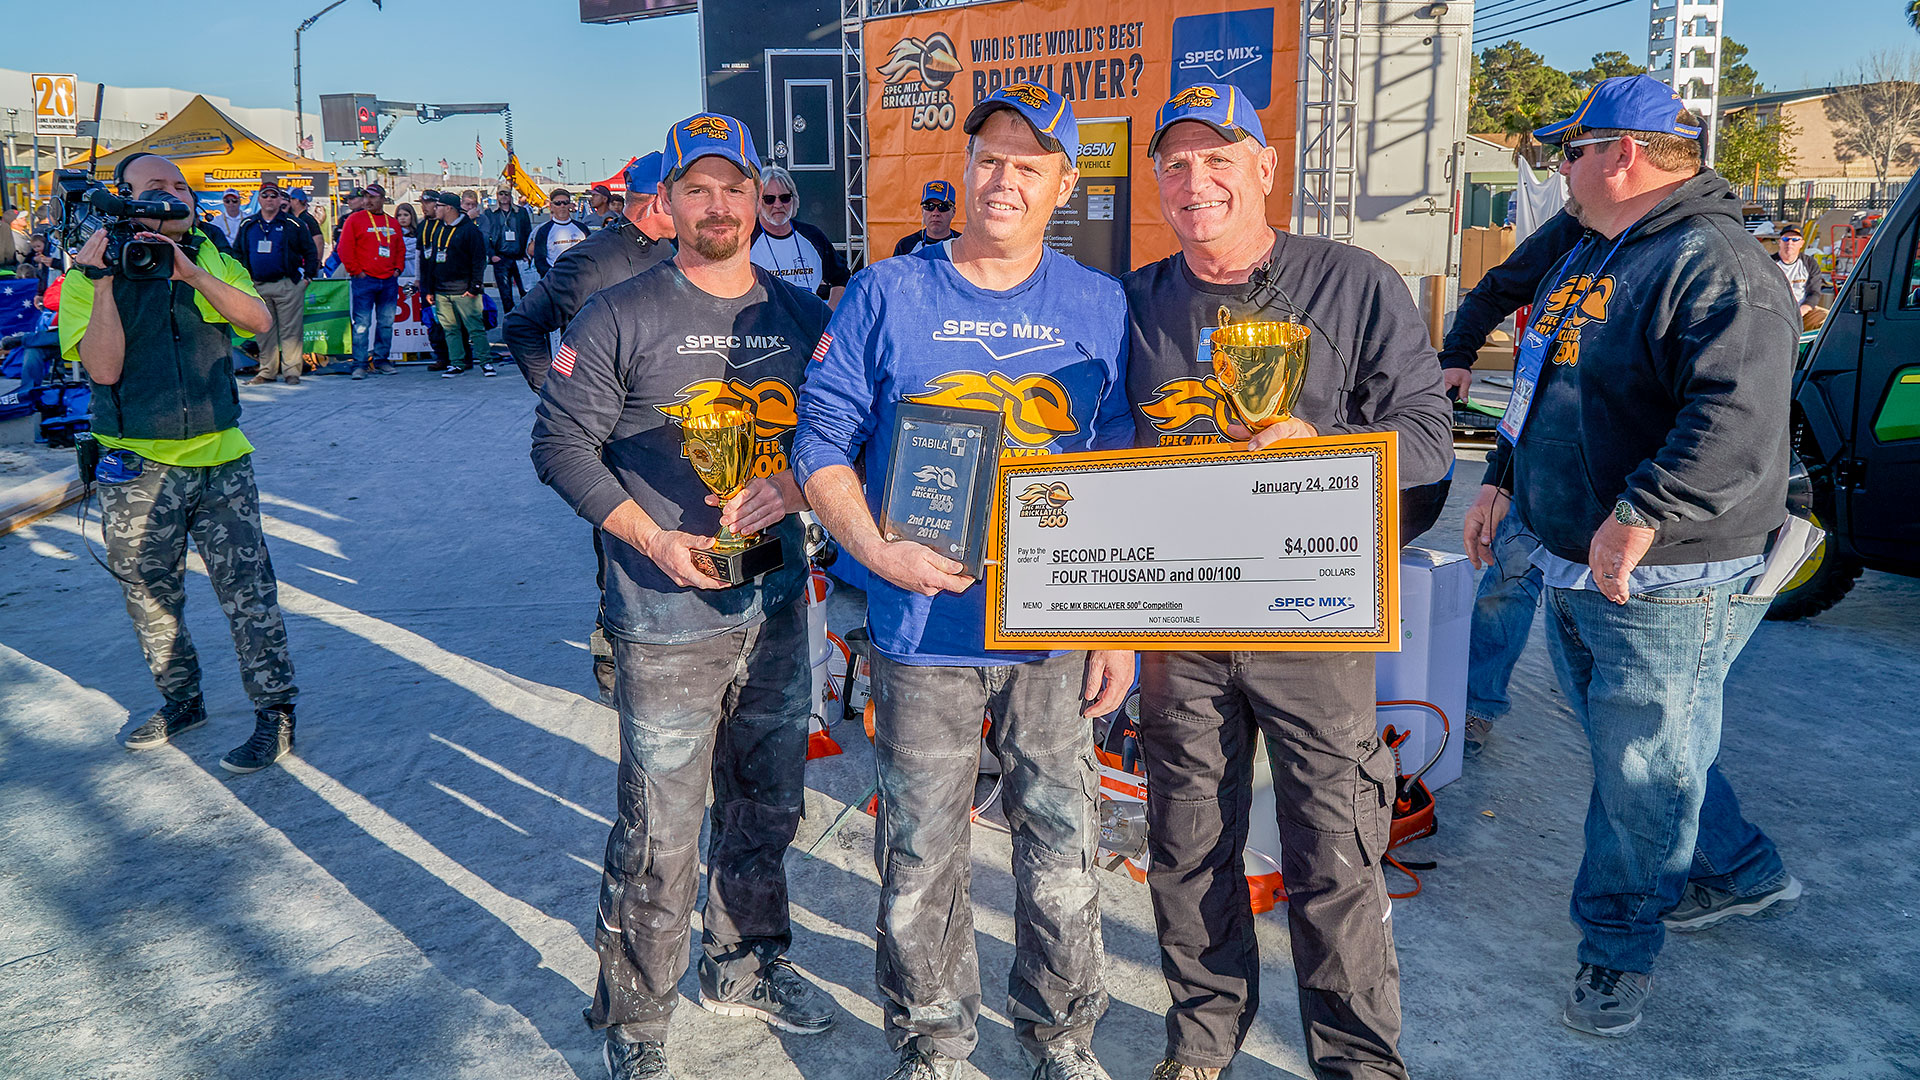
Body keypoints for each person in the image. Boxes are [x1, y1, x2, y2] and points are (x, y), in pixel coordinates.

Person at [794, 83, 1129, 1080]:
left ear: (1063, 184)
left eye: (1031, 165)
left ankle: (1061, 1036)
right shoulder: (890, 292)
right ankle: (933, 1039)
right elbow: (820, 435)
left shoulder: (1097, 302)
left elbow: (1121, 465)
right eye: (991, 158)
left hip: (1054, 628)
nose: (1005, 180)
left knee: (1064, 843)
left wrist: (1120, 622)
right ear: (966, 166)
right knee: (921, 848)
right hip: (919, 625)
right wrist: (876, 547)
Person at [1118, 85, 1451, 1080]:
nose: (1195, 180)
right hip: (1181, 623)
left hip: (1312, 619)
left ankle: (1357, 1063)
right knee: (1187, 846)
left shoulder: (1353, 284)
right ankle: (1203, 1039)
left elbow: (1431, 443)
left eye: (1219, 157)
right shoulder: (1135, 302)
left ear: (1265, 167)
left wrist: (1330, 448)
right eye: (1174, 162)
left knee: (1336, 853)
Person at [1461, 74, 1803, 1039]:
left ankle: (1616, 948)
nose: (1559, 170)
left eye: (1569, 152)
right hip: (1577, 556)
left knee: (1643, 766)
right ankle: (1739, 870)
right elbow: (1544, 378)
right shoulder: (1593, 249)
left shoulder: (1716, 263)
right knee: (1645, 750)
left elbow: (1736, 417)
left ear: (1623, 154)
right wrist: (1503, 480)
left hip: (1661, 574)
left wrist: (1640, 511)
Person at [531, 112, 838, 1080]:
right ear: (667, 202)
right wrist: (652, 537)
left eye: (735, 187)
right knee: (659, 826)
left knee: (766, 802)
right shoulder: (621, 312)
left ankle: (745, 964)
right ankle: (637, 1018)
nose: (718, 205)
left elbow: (841, 438)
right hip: (664, 617)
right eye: (697, 188)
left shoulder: (800, 319)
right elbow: (558, 443)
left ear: (759, 200)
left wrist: (794, 488)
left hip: (778, 603)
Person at [58, 152, 300, 776]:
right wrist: (106, 280)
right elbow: (103, 369)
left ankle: (273, 712)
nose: (173, 195)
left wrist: (191, 274)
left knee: (250, 593)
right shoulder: (89, 274)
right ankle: (181, 700)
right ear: (123, 197)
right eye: (156, 186)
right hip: (136, 463)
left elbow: (259, 323)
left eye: (180, 185)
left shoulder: (212, 255)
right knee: (150, 594)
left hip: (222, 459)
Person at [506, 151, 676, 705]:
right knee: (621, 545)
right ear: (658, 199)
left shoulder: (683, 253)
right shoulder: (592, 261)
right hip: (615, 436)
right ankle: (615, 652)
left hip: (681, 430)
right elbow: (524, 324)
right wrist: (554, 393)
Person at [1434, 210, 1584, 755]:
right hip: (1537, 452)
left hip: (1626, 483)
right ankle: (1475, 703)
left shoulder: (1692, 247)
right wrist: (1456, 356)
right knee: (1508, 577)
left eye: (1576, 152)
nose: (1565, 169)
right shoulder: (1575, 229)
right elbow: (1493, 292)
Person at [233, 182, 320, 386]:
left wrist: (307, 277)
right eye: (266, 196)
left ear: (281, 200)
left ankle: (291, 372)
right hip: (258, 285)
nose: (270, 199)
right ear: (260, 199)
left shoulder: (293, 223)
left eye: (274, 196)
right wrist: (243, 279)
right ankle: (267, 371)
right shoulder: (248, 224)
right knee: (264, 331)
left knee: (291, 331)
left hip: (286, 284)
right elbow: (236, 252)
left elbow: (310, 250)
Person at [749, 165, 848, 304]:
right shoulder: (746, 239)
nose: (778, 205)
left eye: (784, 198)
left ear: (794, 199)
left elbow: (841, 278)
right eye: (769, 199)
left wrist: (829, 317)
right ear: (758, 202)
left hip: (809, 323)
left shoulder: (813, 236)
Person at [337, 183, 406, 379]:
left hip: (388, 280)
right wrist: (356, 271)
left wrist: (398, 269)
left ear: (383, 199)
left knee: (386, 323)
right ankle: (359, 364)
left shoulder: (392, 222)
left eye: (373, 197)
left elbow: (400, 248)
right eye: (365, 197)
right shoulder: (354, 219)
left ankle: (381, 360)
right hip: (364, 280)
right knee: (361, 323)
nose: (368, 201)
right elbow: (344, 248)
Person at [421, 191, 491, 377]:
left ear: (449, 208)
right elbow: (432, 261)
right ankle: (456, 362)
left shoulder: (469, 230)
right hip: (442, 290)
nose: (435, 210)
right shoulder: (439, 229)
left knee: (475, 328)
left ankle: (486, 362)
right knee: (450, 329)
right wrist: (429, 288)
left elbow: (478, 260)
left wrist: (475, 286)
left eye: (439, 206)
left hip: (464, 290)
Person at [481, 184, 533, 314]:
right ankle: (510, 322)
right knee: (506, 295)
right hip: (501, 257)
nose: (504, 197)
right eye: (501, 194)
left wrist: (527, 253)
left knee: (525, 292)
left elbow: (528, 233)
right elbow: (485, 236)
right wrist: (492, 255)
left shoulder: (520, 212)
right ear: (497, 196)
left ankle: (526, 321)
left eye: (506, 194)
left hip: (519, 257)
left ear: (511, 196)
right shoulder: (490, 213)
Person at [1771, 226, 1828, 331]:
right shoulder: (1769, 263)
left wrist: (1800, 312)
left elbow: (1814, 293)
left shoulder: (1810, 264)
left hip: (1802, 312)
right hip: (1775, 313)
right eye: (1785, 239)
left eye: (1795, 240)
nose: (1790, 243)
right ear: (1779, 242)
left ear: (1801, 243)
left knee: (1827, 318)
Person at [531, 188, 590, 278]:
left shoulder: (582, 228)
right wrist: (551, 276)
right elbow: (540, 260)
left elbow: (590, 252)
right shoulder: (544, 231)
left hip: (580, 277)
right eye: (558, 203)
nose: (562, 206)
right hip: (556, 279)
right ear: (551, 206)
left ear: (570, 205)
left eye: (565, 202)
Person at [891, 180, 961, 256]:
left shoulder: (964, 245)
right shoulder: (905, 247)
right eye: (929, 206)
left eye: (943, 206)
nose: (935, 213)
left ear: (953, 212)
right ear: (922, 211)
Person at [286, 188, 326, 260]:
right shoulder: (293, 218)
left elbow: (319, 241)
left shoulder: (307, 219)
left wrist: (316, 263)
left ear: (297, 201)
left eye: (291, 199)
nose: (289, 202)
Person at [396, 202, 422, 280]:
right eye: (399, 215)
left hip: (416, 275)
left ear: (412, 216)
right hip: (399, 276)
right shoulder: (393, 235)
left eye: (406, 215)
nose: (402, 218)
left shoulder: (419, 233)